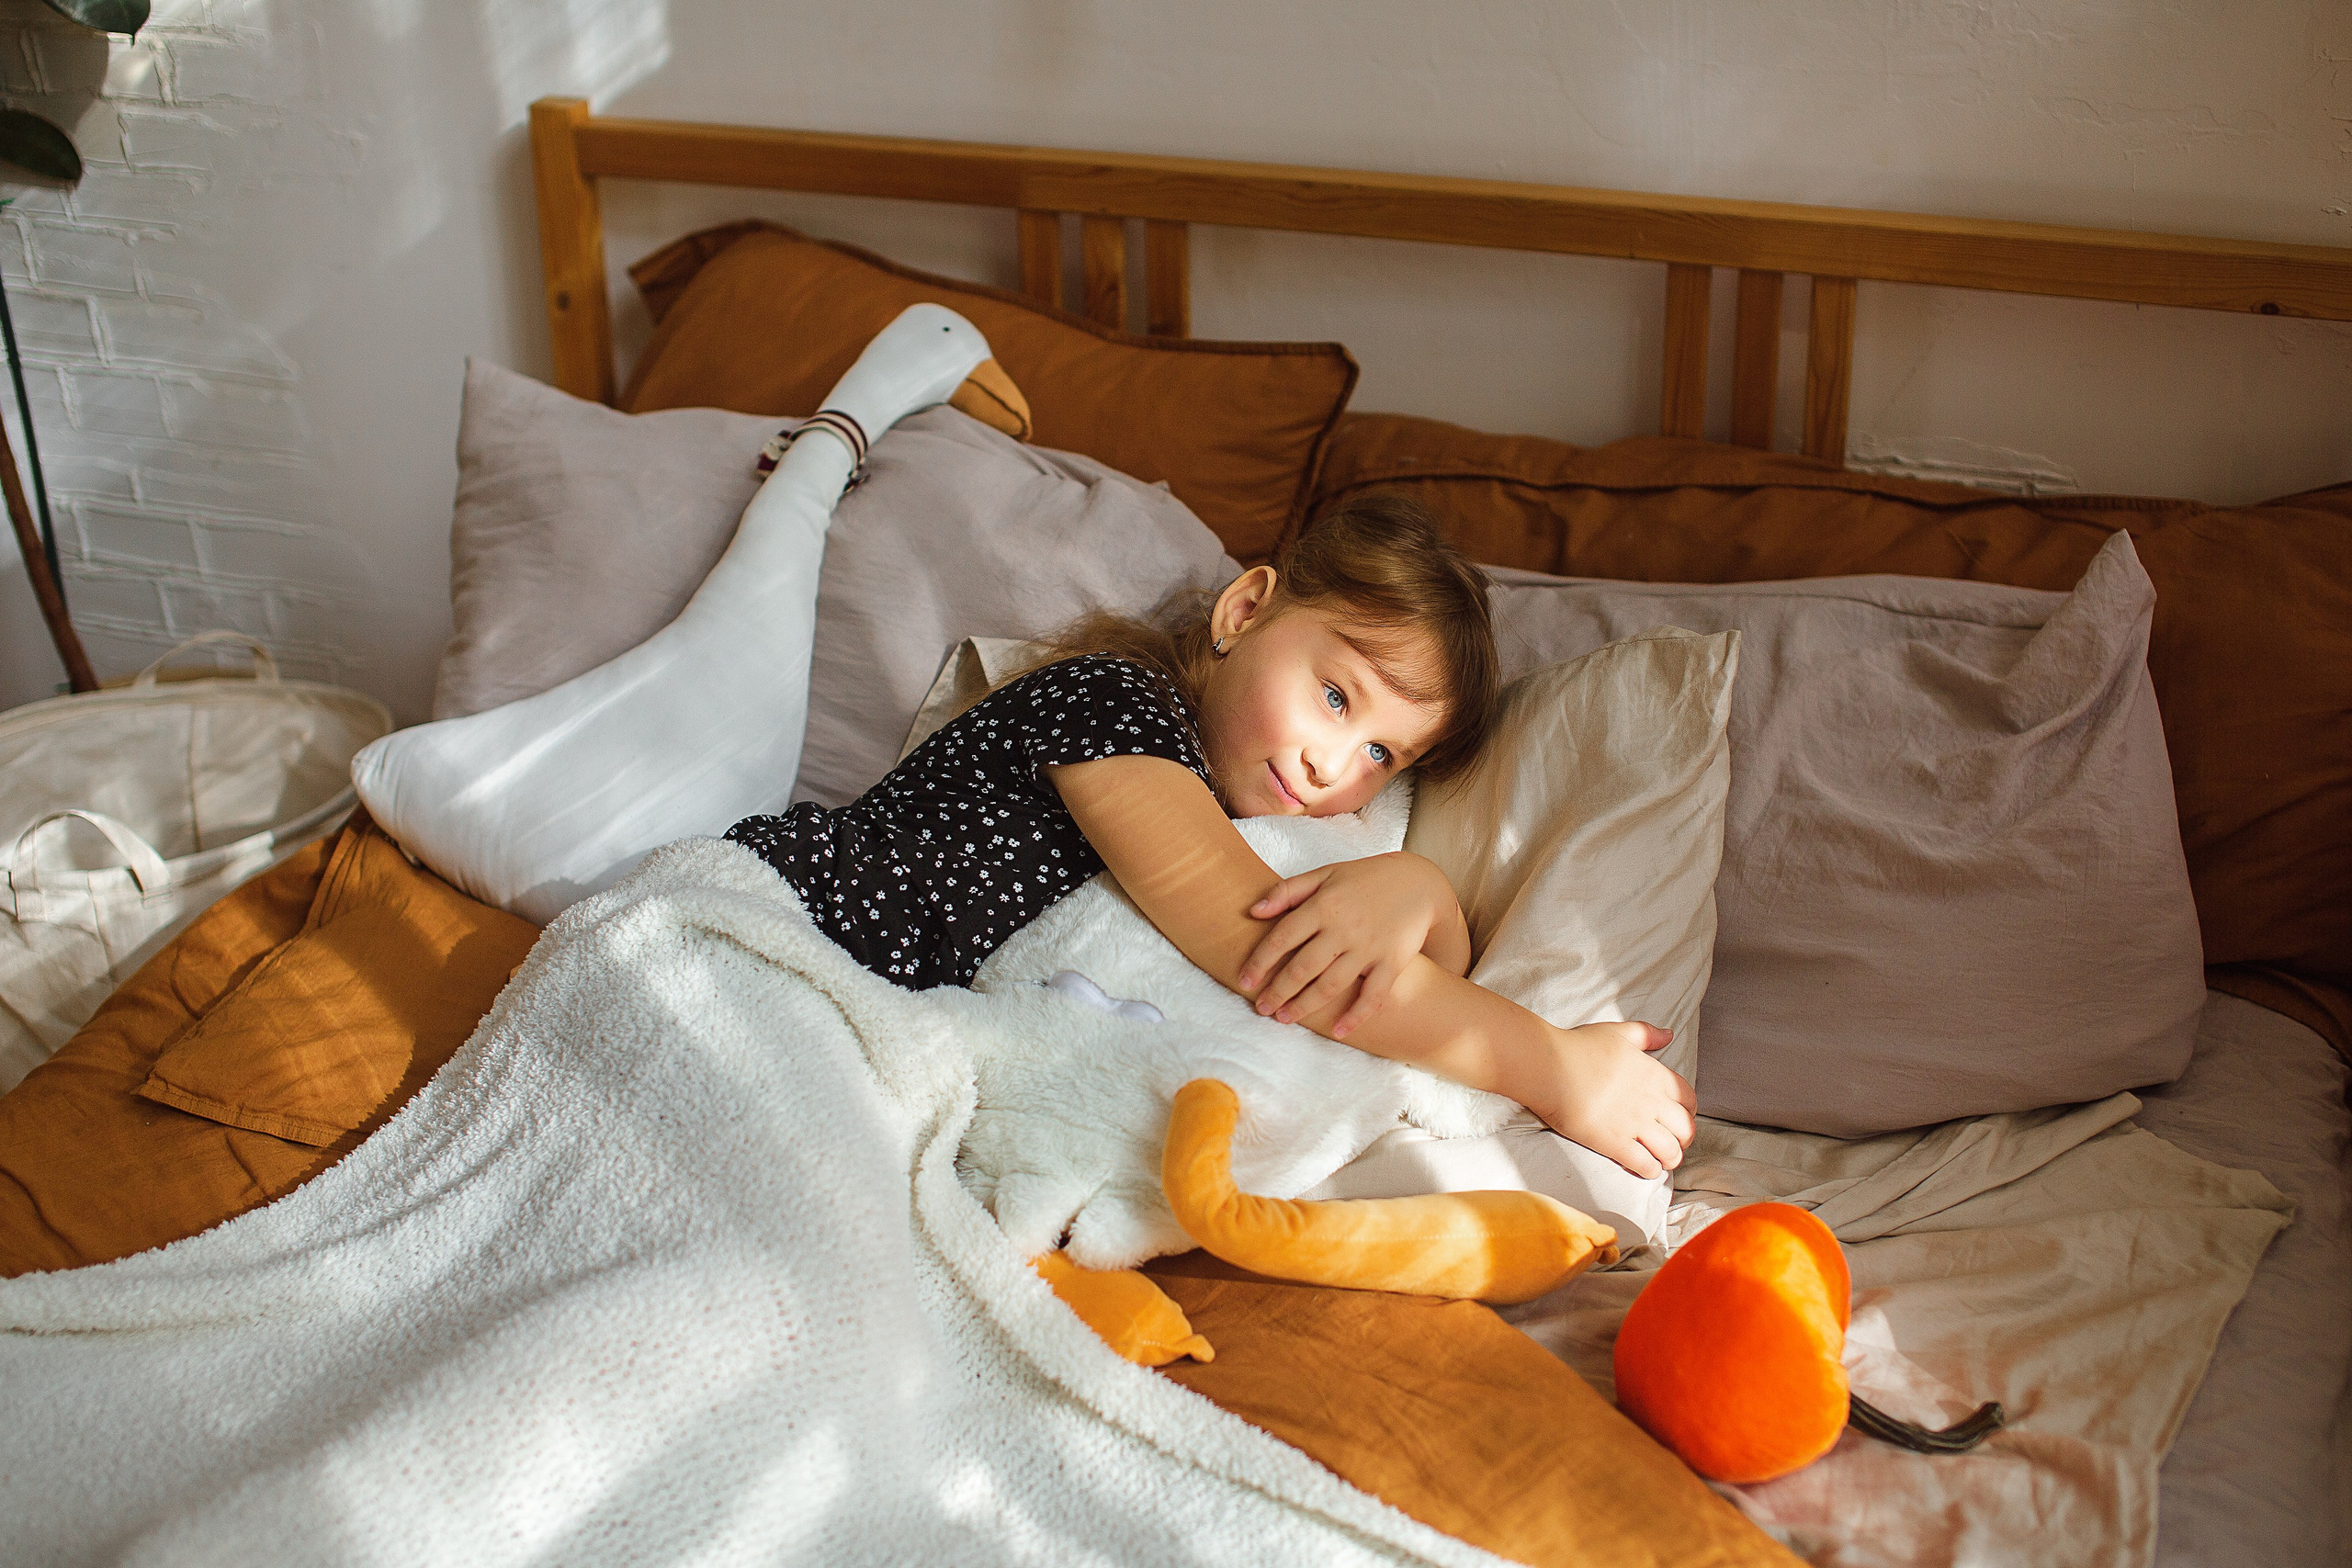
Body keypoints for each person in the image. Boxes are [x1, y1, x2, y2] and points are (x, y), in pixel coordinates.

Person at [727, 491, 1696, 1180]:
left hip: (883, 1039)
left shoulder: (1271, 828)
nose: (1331, 764)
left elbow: (1404, 1008)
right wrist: (1558, 1071)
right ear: (1244, 611)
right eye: (1334, 695)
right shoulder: (1111, 705)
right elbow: (1261, 942)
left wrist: (1422, 892)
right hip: (773, 936)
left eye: (1381, 755)